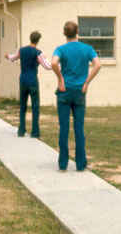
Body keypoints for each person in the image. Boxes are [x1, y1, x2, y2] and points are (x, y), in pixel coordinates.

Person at [51, 21, 101, 171]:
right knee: (79, 128)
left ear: (64, 33)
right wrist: (86, 82)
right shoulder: (87, 48)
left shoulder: (60, 49)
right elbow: (98, 64)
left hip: (64, 91)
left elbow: (54, 63)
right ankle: (80, 163)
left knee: (64, 128)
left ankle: (63, 163)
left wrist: (60, 79)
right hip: (80, 91)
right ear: (77, 32)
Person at [5, 31, 52, 138]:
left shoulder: (22, 50)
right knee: (35, 106)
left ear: (30, 38)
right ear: (38, 40)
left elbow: (13, 57)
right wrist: (57, 64)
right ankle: (35, 132)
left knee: (22, 106)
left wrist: (7, 56)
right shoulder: (38, 52)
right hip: (33, 81)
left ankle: (21, 130)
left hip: (23, 80)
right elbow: (47, 66)